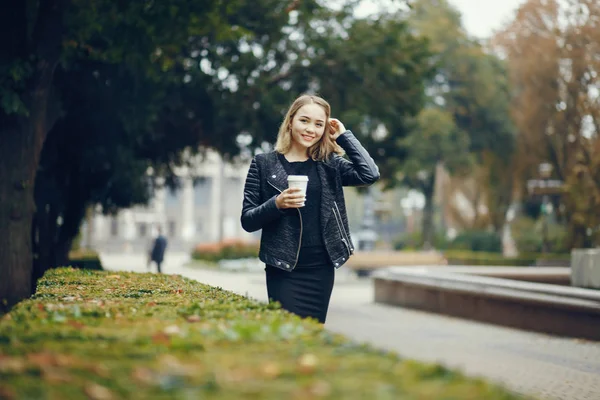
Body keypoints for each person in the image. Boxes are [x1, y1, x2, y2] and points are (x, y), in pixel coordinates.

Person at [240, 94, 379, 324]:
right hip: (283, 268)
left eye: (319, 124)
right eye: (304, 121)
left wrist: (344, 136)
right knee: (287, 333)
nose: (310, 129)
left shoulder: (329, 164)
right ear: (291, 121)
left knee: (312, 334)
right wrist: (277, 204)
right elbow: (248, 220)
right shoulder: (263, 163)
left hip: (321, 268)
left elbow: (369, 174)